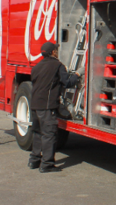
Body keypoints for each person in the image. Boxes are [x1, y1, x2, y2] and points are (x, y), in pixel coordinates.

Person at [28, 41, 80, 173]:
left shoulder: (37, 67)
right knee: (49, 134)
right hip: (47, 105)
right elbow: (67, 83)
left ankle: (34, 161)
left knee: (37, 132)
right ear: (53, 52)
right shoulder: (57, 65)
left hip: (34, 104)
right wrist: (78, 74)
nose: (57, 51)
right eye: (56, 50)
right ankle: (47, 164)